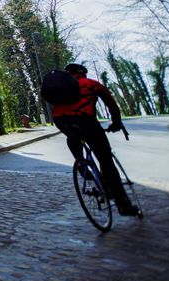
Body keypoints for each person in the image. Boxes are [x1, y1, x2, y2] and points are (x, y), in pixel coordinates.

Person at [51, 63, 139, 216]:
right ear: (83, 73)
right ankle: (123, 205)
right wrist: (116, 123)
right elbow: (111, 104)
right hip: (87, 122)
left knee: (73, 137)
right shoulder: (91, 84)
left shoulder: (60, 86)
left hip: (62, 122)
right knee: (106, 161)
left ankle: (81, 163)